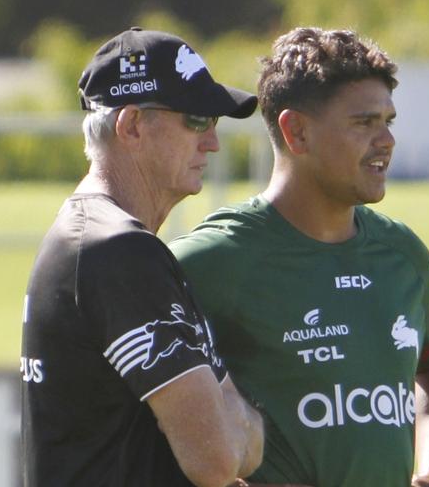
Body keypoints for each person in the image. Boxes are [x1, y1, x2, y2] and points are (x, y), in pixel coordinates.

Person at [169, 27, 429, 487]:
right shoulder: (212, 261)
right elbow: (128, 398)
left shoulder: (402, 255)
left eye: (388, 120)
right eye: (364, 123)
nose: (386, 140)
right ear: (297, 131)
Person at [20, 27, 265, 487]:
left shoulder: (88, 236)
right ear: (131, 125)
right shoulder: (119, 252)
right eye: (196, 119)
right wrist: (239, 419)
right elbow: (218, 459)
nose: (212, 141)